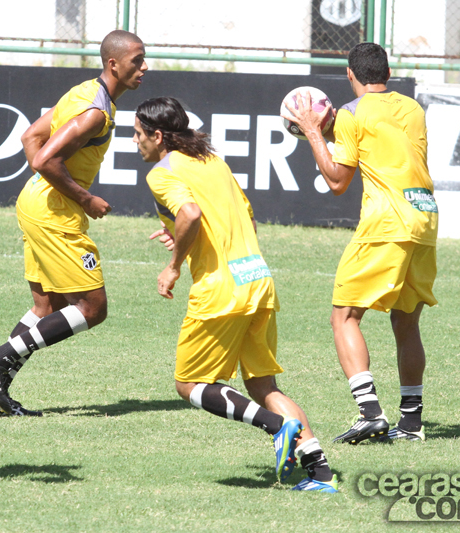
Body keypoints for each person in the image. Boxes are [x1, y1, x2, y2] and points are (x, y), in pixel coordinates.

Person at [134, 96, 339, 492]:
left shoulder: (162, 172)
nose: (135, 143)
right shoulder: (213, 162)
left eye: (138, 135)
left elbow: (191, 214)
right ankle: (321, 474)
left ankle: (276, 427)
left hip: (221, 290)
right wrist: (182, 237)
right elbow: (242, 218)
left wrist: (174, 265)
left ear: (158, 136)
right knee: (263, 386)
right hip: (257, 279)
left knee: (190, 384)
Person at [0, 30, 148, 417]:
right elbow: (43, 159)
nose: (144, 67)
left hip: (37, 202)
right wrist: (84, 198)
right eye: (137, 60)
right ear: (113, 64)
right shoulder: (95, 112)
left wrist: (47, 186)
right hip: (53, 212)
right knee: (92, 308)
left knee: (46, 305)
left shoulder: (84, 91)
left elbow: (31, 135)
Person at [282, 42, 438, 444]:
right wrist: (335, 127)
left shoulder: (352, 113)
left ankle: (369, 412)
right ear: (387, 72)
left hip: (386, 222)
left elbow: (337, 181)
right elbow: (383, 144)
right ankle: (411, 423)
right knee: (406, 322)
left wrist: (316, 132)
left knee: (344, 316)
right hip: (424, 217)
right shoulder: (413, 108)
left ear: (350, 75)